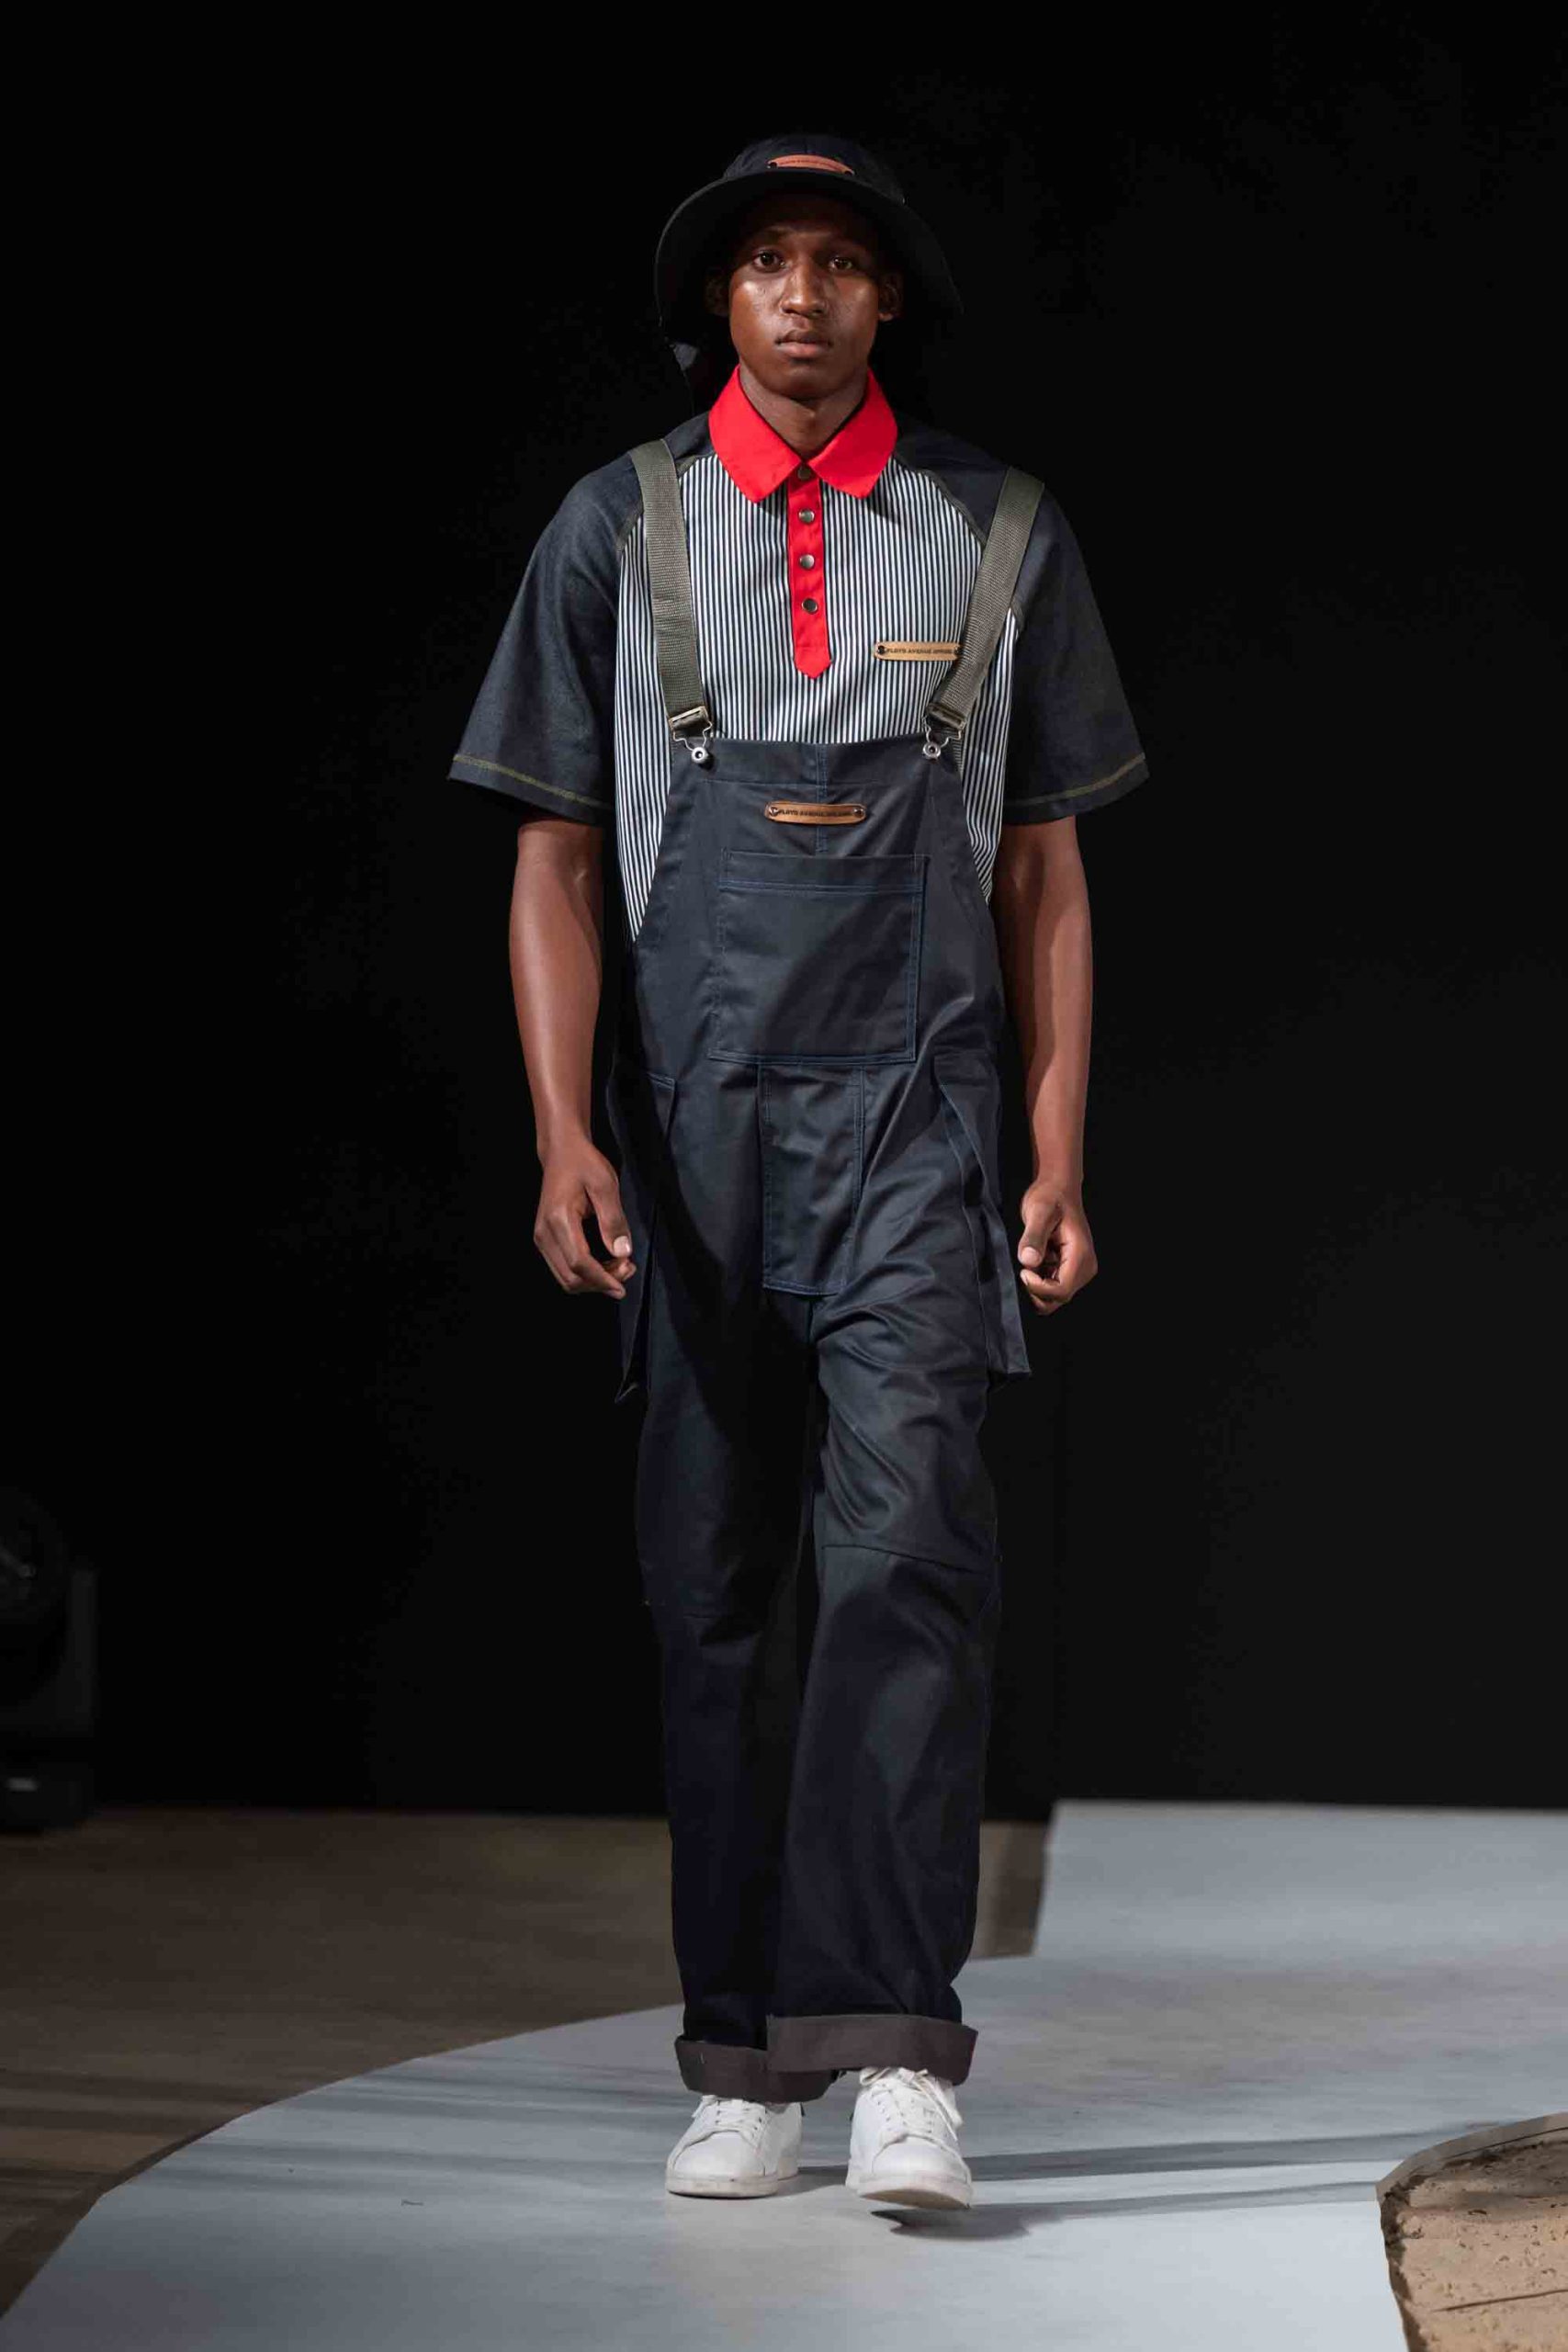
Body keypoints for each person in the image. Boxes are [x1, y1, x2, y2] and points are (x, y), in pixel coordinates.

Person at [450, 132, 1148, 2211]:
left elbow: (1044, 873)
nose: (806, 294)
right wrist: (564, 1130)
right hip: (695, 1141)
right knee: (717, 1590)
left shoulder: (996, 531)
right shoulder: (618, 525)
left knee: (908, 1558)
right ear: (720, 298)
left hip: (917, 1136)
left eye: (842, 261)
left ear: (888, 298)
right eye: (768, 258)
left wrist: (1054, 1147)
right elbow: (556, 858)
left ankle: (899, 2049)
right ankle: (744, 2056)